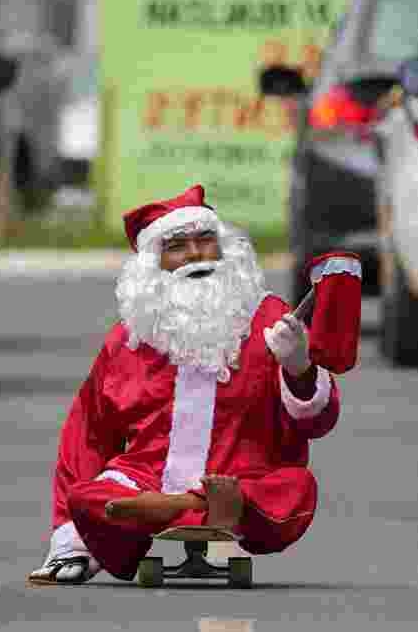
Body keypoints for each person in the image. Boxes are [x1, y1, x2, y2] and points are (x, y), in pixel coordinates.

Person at [27, 185, 341, 585]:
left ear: (225, 249)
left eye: (205, 241)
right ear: (153, 266)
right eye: (177, 246)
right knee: (88, 496)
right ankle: (195, 505)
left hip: (243, 479)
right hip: (146, 481)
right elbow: (86, 436)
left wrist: (299, 366)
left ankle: (174, 507)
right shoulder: (129, 340)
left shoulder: (271, 318)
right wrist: (71, 544)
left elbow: (318, 423)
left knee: (295, 486)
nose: (195, 254)